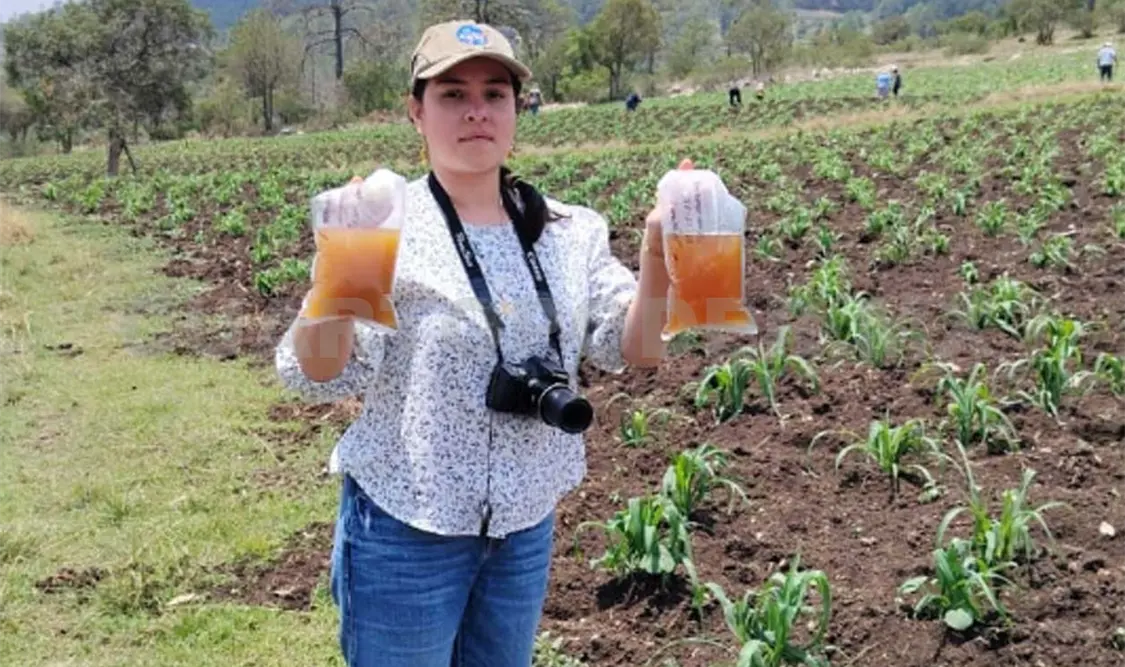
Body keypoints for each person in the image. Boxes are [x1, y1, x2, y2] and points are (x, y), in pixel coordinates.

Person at [274, 19, 677, 667]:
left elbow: (636, 348)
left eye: (495, 94)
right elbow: (321, 373)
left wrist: (658, 253)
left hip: (522, 524)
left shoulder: (569, 231)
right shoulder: (384, 228)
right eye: (451, 94)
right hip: (409, 525)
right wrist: (336, 272)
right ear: (415, 111)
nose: (476, 111)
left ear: (519, 107)